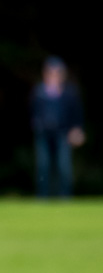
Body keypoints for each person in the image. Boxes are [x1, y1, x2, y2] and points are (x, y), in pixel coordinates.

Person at [31, 56, 86, 199]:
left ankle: (65, 196)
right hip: (44, 134)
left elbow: (77, 115)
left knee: (64, 166)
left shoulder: (69, 93)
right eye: (51, 73)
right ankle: (42, 196)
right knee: (43, 166)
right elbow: (33, 112)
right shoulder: (39, 92)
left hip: (63, 133)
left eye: (57, 73)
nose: (54, 76)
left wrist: (77, 129)